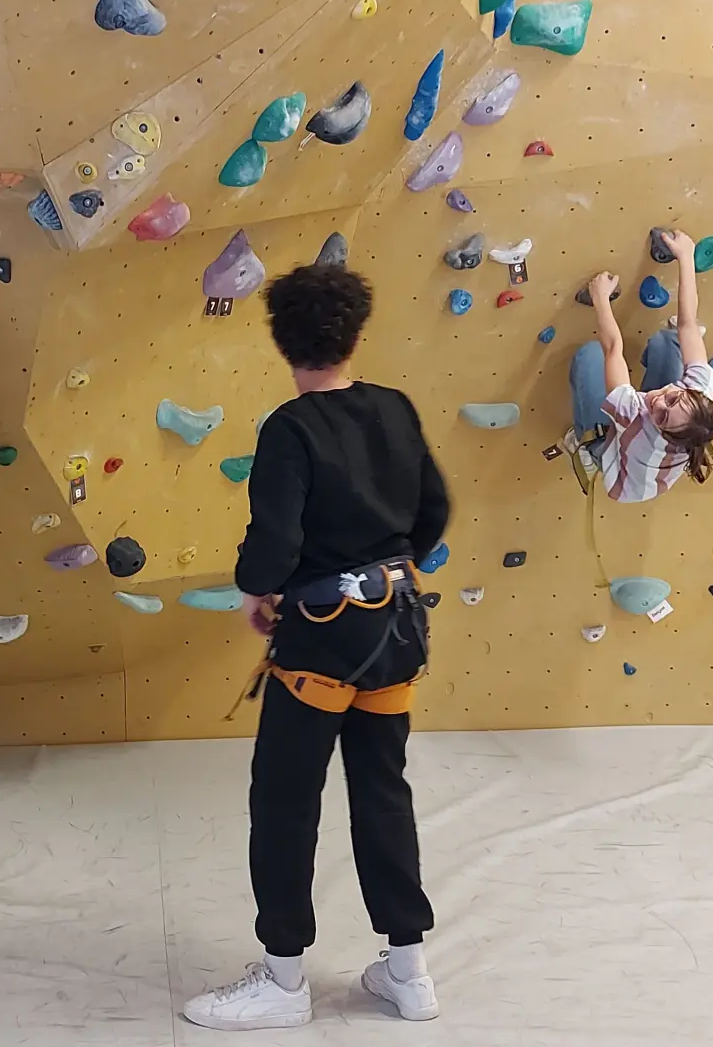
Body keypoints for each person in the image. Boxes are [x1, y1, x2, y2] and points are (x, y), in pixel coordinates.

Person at [182, 264, 450, 1032]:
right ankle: (408, 970)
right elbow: (434, 511)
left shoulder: (290, 428)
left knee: (285, 799)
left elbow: (274, 544)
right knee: (383, 790)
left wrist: (256, 592)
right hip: (398, 627)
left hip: (323, 641)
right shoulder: (395, 408)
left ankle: (284, 976)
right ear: (357, 332)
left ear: (281, 342)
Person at [564, 229, 713, 502]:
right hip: (649, 458)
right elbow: (688, 323)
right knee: (672, 340)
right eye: (673, 399)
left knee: (591, 356)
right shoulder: (702, 389)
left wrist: (601, 298)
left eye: (663, 417)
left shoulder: (637, 415)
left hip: (624, 478)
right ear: (693, 392)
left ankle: (589, 449)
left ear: (663, 430)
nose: (658, 403)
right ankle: (659, 377)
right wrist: (685, 257)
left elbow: (612, 348)